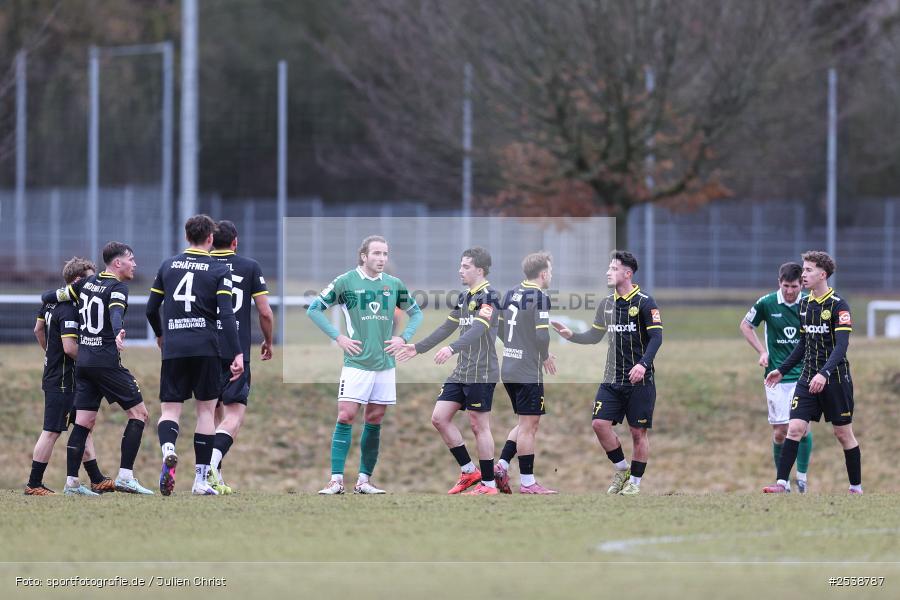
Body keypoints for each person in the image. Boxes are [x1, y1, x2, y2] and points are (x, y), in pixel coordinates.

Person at [307, 235, 422, 494]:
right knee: (346, 415)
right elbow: (314, 309)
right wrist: (338, 337)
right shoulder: (345, 281)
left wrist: (403, 338)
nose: (382, 258)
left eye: (385, 254)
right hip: (356, 362)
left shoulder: (393, 284)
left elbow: (416, 313)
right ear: (364, 256)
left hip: (385, 363)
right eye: (377, 253)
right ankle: (336, 480)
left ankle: (363, 481)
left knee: (375, 418)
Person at [42, 242, 152, 496]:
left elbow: (49, 297)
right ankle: (126, 477)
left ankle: (72, 483)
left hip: (84, 363)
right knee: (139, 414)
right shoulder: (118, 288)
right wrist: (118, 332)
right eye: (131, 259)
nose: (135, 264)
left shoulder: (85, 284)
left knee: (83, 422)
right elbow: (115, 311)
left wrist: (48, 301)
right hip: (105, 362)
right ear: (117, 263)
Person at [146, 215, 244, 496]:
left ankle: (168, 450)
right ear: (210, 238)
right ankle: (200, 480)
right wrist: (236, 351)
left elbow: (151, 308)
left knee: (170, 410)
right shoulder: (218, 269)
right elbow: (226, 314)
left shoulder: (168, 266)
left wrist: (161, 334)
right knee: (205, 411)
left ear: (187, 236)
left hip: (175, 347)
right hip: (206, 348)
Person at [552, 250, 662, 497]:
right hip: (612, 379)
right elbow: (594, 335)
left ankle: (635, 482)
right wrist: (571, 336)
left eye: (613, 269)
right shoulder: (606, 304)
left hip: (640, 381)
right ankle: (622, 470)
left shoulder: (645, 302)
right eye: (609, 268)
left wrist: (643, 364)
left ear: (627, 273)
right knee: (599, 424)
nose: (608, 273)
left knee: (637, 433)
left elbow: (657, 338)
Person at [397, 247, 502, 495]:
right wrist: (418, 348)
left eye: (466, 266)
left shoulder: (490, 297)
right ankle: (469, 471)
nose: (460, 270)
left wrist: (452, 348)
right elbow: (446, 327)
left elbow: (479, 328)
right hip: (462, 371)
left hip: (481, 371)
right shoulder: (465, 297)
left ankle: (488, 484)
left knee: (479, 426)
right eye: (461, 265)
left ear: (480, 270)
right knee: (439, 418)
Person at [763, 251, 861, 494]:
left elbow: (841, 346)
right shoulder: (805, 304)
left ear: (822, 275)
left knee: (843, 433)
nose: (803, 274)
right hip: (807, 377)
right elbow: (804, 343)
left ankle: (855, 487)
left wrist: (824, 374)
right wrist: (781, 370)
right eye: (803, 269)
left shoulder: (838, 305)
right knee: (794, 428)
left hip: (835, 379)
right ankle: (782, 483)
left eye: (808, 270)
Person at [25, 257, 114, 495]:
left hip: (58, 374)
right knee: (52, 430)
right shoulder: (70, 309)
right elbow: (70, 348)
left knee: (83, 426)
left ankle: (96, 479)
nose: (94, 284)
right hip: (63, 379)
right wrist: (94, 360)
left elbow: (38, 329)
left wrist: (49, 352)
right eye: (90, 279)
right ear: (77, 281)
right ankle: (34, 483)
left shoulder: (50, 303)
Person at [207, 220, 274, 494]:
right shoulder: (249, 266)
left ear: (210, 241)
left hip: (204, 348)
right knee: (234, 414)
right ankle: (210, 467)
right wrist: (268, 341)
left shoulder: (201, 265)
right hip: (235, 349)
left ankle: (212, 477)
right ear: (235, 242)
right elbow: (265, 312)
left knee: (211, 414)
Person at [740, 262, 813, 493]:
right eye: (785, 286)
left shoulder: (809, 303)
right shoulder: (767, 302)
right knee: (780, 431)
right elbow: (745, 326)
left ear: (801, 284)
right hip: (776, 376)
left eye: (794, 286)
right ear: (779, 283)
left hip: (803, 375)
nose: (790, 291)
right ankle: (784, 481)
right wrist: (762, 352)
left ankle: (802, 478)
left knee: (801, 428)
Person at [495, 251, 558, 494]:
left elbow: (500, 328)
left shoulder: (511, 292)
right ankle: (528, 483)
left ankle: (501, 465)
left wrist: (515, 347)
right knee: (530, 425)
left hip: (509, 367)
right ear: (543, 273)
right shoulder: (540, 297)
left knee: (524, 422)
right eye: (550, 271)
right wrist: (544, 356)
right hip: (527, 370)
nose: (551, 275)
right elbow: (542, 335)